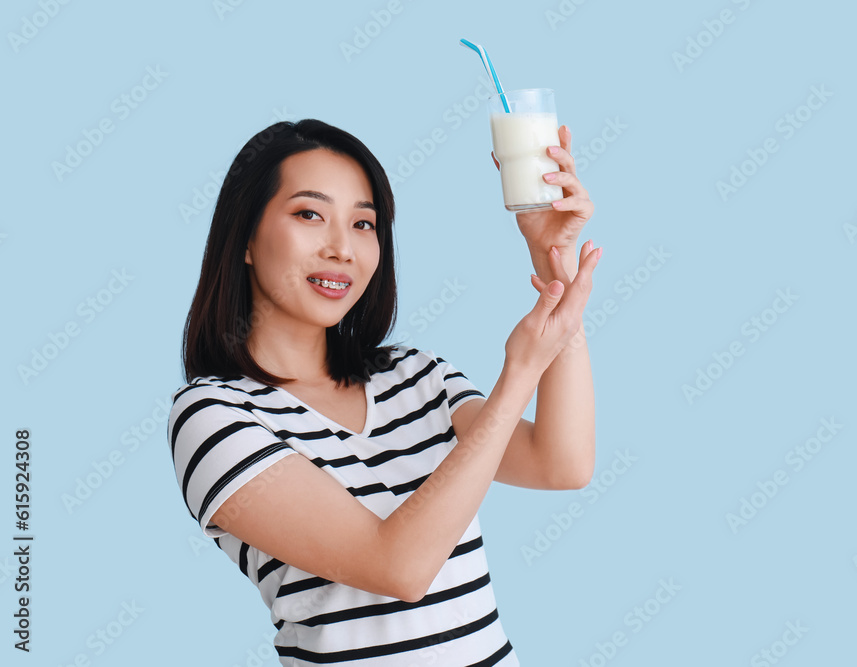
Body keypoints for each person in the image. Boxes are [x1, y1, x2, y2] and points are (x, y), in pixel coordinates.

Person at [168, 118, 600, 666]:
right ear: (247, 238)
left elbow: (561, 464)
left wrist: (554, 269)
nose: (342, 249)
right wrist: (518, 374)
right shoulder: (214, 416)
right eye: (309, 214)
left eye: (364, 224)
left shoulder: (414, 375)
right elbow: (398, 568)